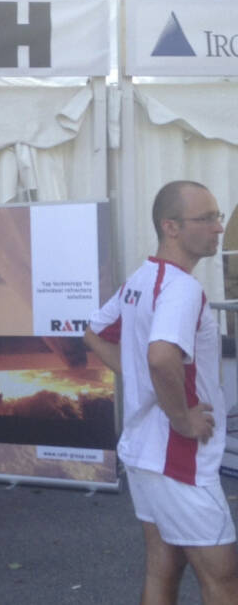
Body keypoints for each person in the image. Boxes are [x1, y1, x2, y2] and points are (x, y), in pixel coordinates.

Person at [85, 181, 238, 604]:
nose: (218, 227)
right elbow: (161, 356)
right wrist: (181, 417)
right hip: (178, 456)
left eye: (217, 216)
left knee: (164, 566)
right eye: (206, 218)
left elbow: (94, 333)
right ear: (170, 227)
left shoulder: (143, 278)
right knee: (224, 578)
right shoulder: (181, 288)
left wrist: (142, 380)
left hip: (145, 450)